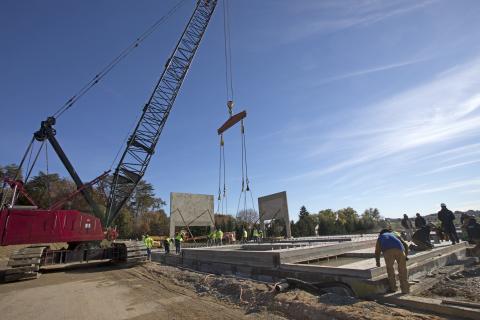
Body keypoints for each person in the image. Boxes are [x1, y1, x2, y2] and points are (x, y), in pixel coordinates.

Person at [375, 229, 409, 294]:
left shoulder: (381, 237)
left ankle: (394, 288)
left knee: (390, 270)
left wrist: (378, 262)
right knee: (403, 270)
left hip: (388, 251)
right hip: (400, 250)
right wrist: (406, 255)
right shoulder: (394, 234)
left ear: (381, 233)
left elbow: (377, 251)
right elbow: (405, 244)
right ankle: (405, 290)